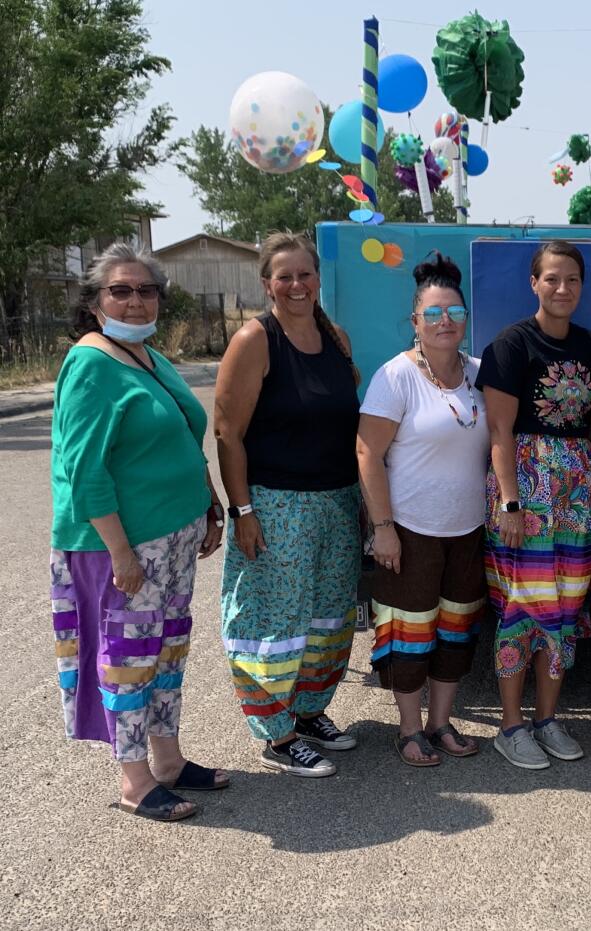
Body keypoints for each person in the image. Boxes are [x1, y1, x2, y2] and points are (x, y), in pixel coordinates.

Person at [50, 243, 227, 822]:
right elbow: (84, 469)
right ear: (96, 300)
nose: (133, 299)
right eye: (119, 290)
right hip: (122, 544)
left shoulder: (145, 354)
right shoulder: (92, 362)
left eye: (145, 289)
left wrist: (208, 502)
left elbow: (182, 432)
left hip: (173, 536)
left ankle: (169, 761)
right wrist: (120, 552)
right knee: (129, 656)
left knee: (166, 650)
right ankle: (134, 779)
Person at [215, 232, 361, 778]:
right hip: (277, 507)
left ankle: (308, 711)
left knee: (327, 620)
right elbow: (228, 433)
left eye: (305, 274)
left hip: (337, 503)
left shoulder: (336, 338)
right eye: (285, 276)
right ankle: (277, 734)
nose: (297, 285)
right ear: (267, 284)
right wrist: (243, 511)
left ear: (319, 279)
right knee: (275, 620)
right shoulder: (255, 340)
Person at [476, 240, 591, 770]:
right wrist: (510, 503)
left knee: (566, 607)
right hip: (525, 489)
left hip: (577, 493)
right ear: (534, 283)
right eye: (551, 278)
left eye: (572, 279)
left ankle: (547, 719)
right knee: (521, 606)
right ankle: (511, 726)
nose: (562, 289)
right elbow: (500, 430)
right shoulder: (511, 345)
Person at [357, 253, 489, 767]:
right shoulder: (396, 376)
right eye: (432, 314)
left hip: (468, 530)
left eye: (454, 313)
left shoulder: (480, 374)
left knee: (456, 630)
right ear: (415, 321)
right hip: (409, 530)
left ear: (465, 320)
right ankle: (408, 730)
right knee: (410, 634)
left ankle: (440, 724)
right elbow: (367, 452)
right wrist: (383, 528)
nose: (444, 323)